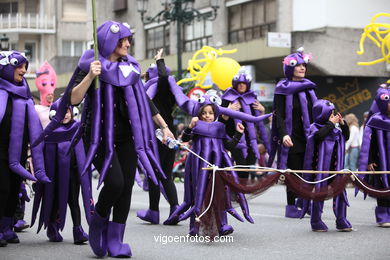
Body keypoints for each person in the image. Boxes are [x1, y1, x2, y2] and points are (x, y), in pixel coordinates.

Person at [44, 21, 175, 257]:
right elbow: (73, 99)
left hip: (126, 138)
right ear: (108, 41)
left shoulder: (130, 68)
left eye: (128, 40)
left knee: (125, 189)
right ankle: (97, 222)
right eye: (122, 40)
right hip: (98, 137)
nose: (127, 43)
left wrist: (164, 127)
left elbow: (146, 102)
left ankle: (116, 241)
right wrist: (90, 76)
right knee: (115, 183)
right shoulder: (90, 64)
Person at [0, 51, 50, 247]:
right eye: (19, 66)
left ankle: (6, 227)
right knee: (2, 189)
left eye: (24, 67)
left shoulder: (25, 92)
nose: (23, 70)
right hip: (0, 151)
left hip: (18, 151)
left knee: (14, 190)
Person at [180, 101, 246, 236]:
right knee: (198, 194)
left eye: (210, 113)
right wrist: (190, 126)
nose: (207, 116)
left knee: (219, 194)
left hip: (216, 167)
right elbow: (185, 138)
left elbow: (229, 145)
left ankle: (222, 225)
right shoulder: (196, 126)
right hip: (199, 166)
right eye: (203, 113)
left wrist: (238, 133)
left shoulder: (219, 127)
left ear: (215, 115)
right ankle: (194, 227)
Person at [31, 100, 92, 244]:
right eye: (60, 112)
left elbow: (85, 149)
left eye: (67, 111)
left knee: (74, 201)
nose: (65, 114)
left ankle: (78, 230)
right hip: (55, 175)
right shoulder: (51, 133)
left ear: (73, 111)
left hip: (74, 174)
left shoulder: (78, 128)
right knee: (54, 200)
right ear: (54, 114)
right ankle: (52, 227)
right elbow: (45, 156)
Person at [269, 47, 317, 218]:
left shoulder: (309, 88)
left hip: (309, 137)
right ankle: (291, 206)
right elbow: (279, 115)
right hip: (291, 137)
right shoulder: (282, 88)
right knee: (294, 173)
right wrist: (283, 134)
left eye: (304, 65)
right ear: (290, 68)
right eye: (299, 65)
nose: (303, 68)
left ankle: (305, 202)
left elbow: (317, 112)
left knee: (309, 171)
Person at [137, 48, 179, 225]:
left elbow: (162, 78)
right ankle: (160, 210)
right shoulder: (168, 91)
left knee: (157, 173)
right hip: (168, 133)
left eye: (148, 74)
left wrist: (159, 60)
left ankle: (167, 209)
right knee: (162, 174)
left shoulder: (160, 88)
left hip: (159, 134)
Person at [302, 100, 352, 232]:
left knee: (340, 192)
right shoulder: (315, 127)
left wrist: (343, 124)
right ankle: (316, 220)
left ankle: (341, 219)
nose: (333, 115)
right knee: (320, 192)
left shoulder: (336, 128)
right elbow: (318, 137)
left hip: (336, 168)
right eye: (330, 113)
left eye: (334, 112)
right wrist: (331, 124)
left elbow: (346, 136)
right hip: (321, 168)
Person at [220, 70, 269, 178]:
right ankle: (237, 191)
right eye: (239, 83)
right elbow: (220, 122)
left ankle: (243, 191)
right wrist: (228, 110)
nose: (242, 86)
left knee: (249, 167)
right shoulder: (227, 97)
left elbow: (258, 121)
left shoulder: (252, 98)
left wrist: (262, 111)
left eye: (244, 84)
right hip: (234, 139)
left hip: (251, 140)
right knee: (240, 168)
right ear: (235, 84)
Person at [358, 86, 390, 227]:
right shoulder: (375, 120)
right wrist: (369, 160)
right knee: (382, 187)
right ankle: (382, 215)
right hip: (379, 160)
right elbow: (368, 143)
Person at [34, 61, 57, 128]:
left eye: (52, 95)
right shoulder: (36, 109)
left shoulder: (57, 108)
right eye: (48, 95)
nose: (50, 96)